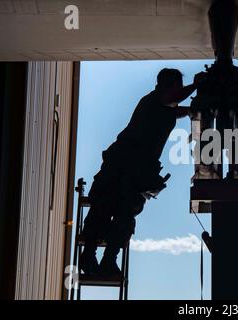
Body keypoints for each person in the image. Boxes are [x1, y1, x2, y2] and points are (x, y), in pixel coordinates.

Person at [79, 68, 206, 276]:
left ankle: (108, 260)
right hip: (123, 162)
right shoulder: (154, 99)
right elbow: (171, 99)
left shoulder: (161, 106)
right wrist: (195, 86)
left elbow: (175, 110)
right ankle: (89, 256)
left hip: (138, 167)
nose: (179, 90)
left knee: (124, 214)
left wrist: (193, 109)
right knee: (105, 206)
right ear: (167, 85)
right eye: (177, 86)